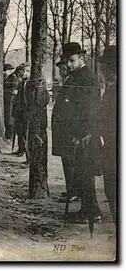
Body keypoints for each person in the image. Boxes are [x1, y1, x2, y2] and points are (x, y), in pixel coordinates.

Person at [63, 42, 102, 224]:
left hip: (85, 135)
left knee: (85, 173)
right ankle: (88, 210)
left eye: (72, 60)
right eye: (67, 61)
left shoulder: (88, 78)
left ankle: (92, 212)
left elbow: (92, 109)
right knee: (81, 172)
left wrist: (86, 133)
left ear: (81, 58)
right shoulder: (76, 76)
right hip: (76, 134)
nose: (69, 65)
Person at [52, 58, 78, 203]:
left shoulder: (71, 82)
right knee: (67, 161)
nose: (60, 72)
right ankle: (71, 189)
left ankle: (73, 191)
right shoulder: (67, 82)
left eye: (61, 69)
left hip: (67, 130)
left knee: (69, 161)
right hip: (63, 130)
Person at [95, 45, 117, 224]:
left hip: (113, 151)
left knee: (113, 190)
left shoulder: (114, 91)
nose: (101, 71)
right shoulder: (112, 89)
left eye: (104, 67)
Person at [12, 63, 31, 157]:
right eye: (23, 71)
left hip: (26, 112)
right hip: (19, 111)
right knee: (19, 131)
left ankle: (27, 154)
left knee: (26, 133)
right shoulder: (21, 82)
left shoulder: (31, 83)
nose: (24, 73)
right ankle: (21, 149)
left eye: (27, 71)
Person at [3, 63, 17, 141]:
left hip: (11, 100)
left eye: (7, 70)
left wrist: (4, 91)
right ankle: (7, 135)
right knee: (6, 117)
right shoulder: (4, 77)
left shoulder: (13, 78)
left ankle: (10, 136)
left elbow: (14, 89)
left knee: (10, 119)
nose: (5, 72)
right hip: (5, 100)